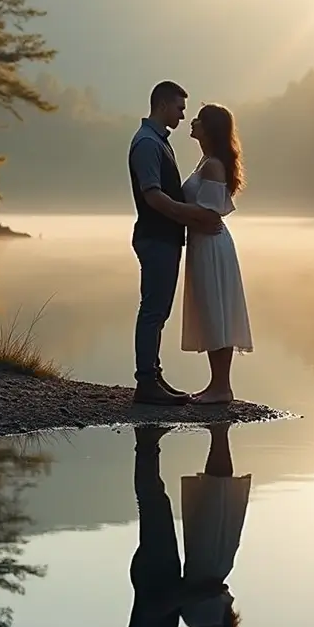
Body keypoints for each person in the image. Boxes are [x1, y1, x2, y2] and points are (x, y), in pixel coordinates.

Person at [129, 80, 221, 406]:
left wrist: (187, 220)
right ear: (164, 105)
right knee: (153, 311)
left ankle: (153, 376)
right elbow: (153, 196)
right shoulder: (147, 144)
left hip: (164, 238)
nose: (183, 116)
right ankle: (146, 382)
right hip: (156, 238)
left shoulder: (158, 142)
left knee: (158, 311)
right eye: (180, 109)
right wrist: (191, 217)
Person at [126, 425, 228, 627]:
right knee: (156, 501)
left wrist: (198, 594)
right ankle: (148, 442)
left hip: (154, 572)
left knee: (153, 501)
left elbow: (155, 607)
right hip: (156, 572)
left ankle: (146, 441)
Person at [181, 103, 253, 404]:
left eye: (199, 119)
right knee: (212, 309)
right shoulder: (206, 161)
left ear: (209, 129)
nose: (192, 122)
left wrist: (164, 207)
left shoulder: (212, 165)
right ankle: (217, 385)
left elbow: (208, 214)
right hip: (203, 244)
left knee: (216, 310)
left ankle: (221, 388)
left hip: (211, 245)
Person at [180, 422, 250, 627]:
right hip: (206, 563)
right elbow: (206, 593)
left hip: (215, 563)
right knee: (215, 497)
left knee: (218, 499)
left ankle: (219, 435)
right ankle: (219, 433)